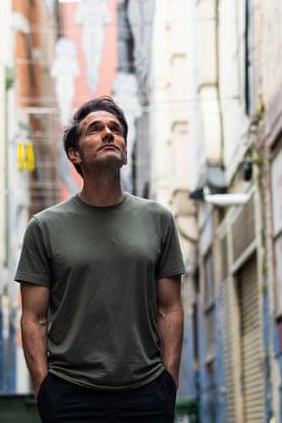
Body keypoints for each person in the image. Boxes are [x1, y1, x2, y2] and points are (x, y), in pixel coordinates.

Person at [16, 96, 185, 422]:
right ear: (74, 154)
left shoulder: (158, 220)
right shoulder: (44, 227)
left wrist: (169, 381)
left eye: (116, 129)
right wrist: (44, 390)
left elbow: (170, 307)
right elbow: (33, 317)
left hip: (146, 392)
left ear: (124, 151)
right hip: (71, 395)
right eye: (96, 128)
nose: (109, 133)